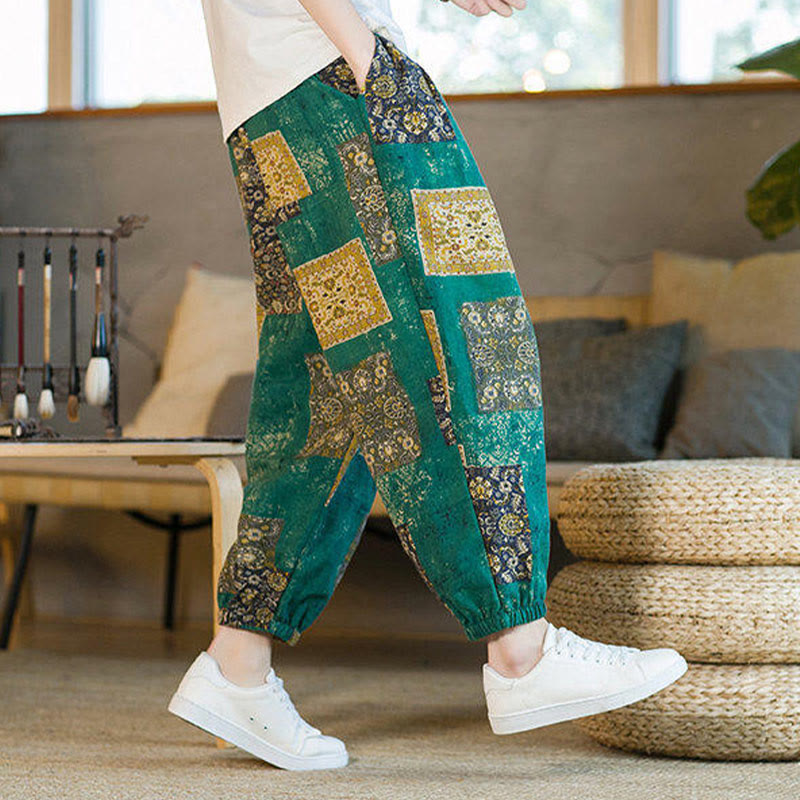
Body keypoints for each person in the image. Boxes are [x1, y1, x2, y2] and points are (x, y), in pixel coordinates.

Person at [168, 0, 688, 771]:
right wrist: (367, 57)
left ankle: (238, 659)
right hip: (332, 82)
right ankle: (520, 646)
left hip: (274, 104)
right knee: (462, 341)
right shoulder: (349, 68)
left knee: (335, 387)